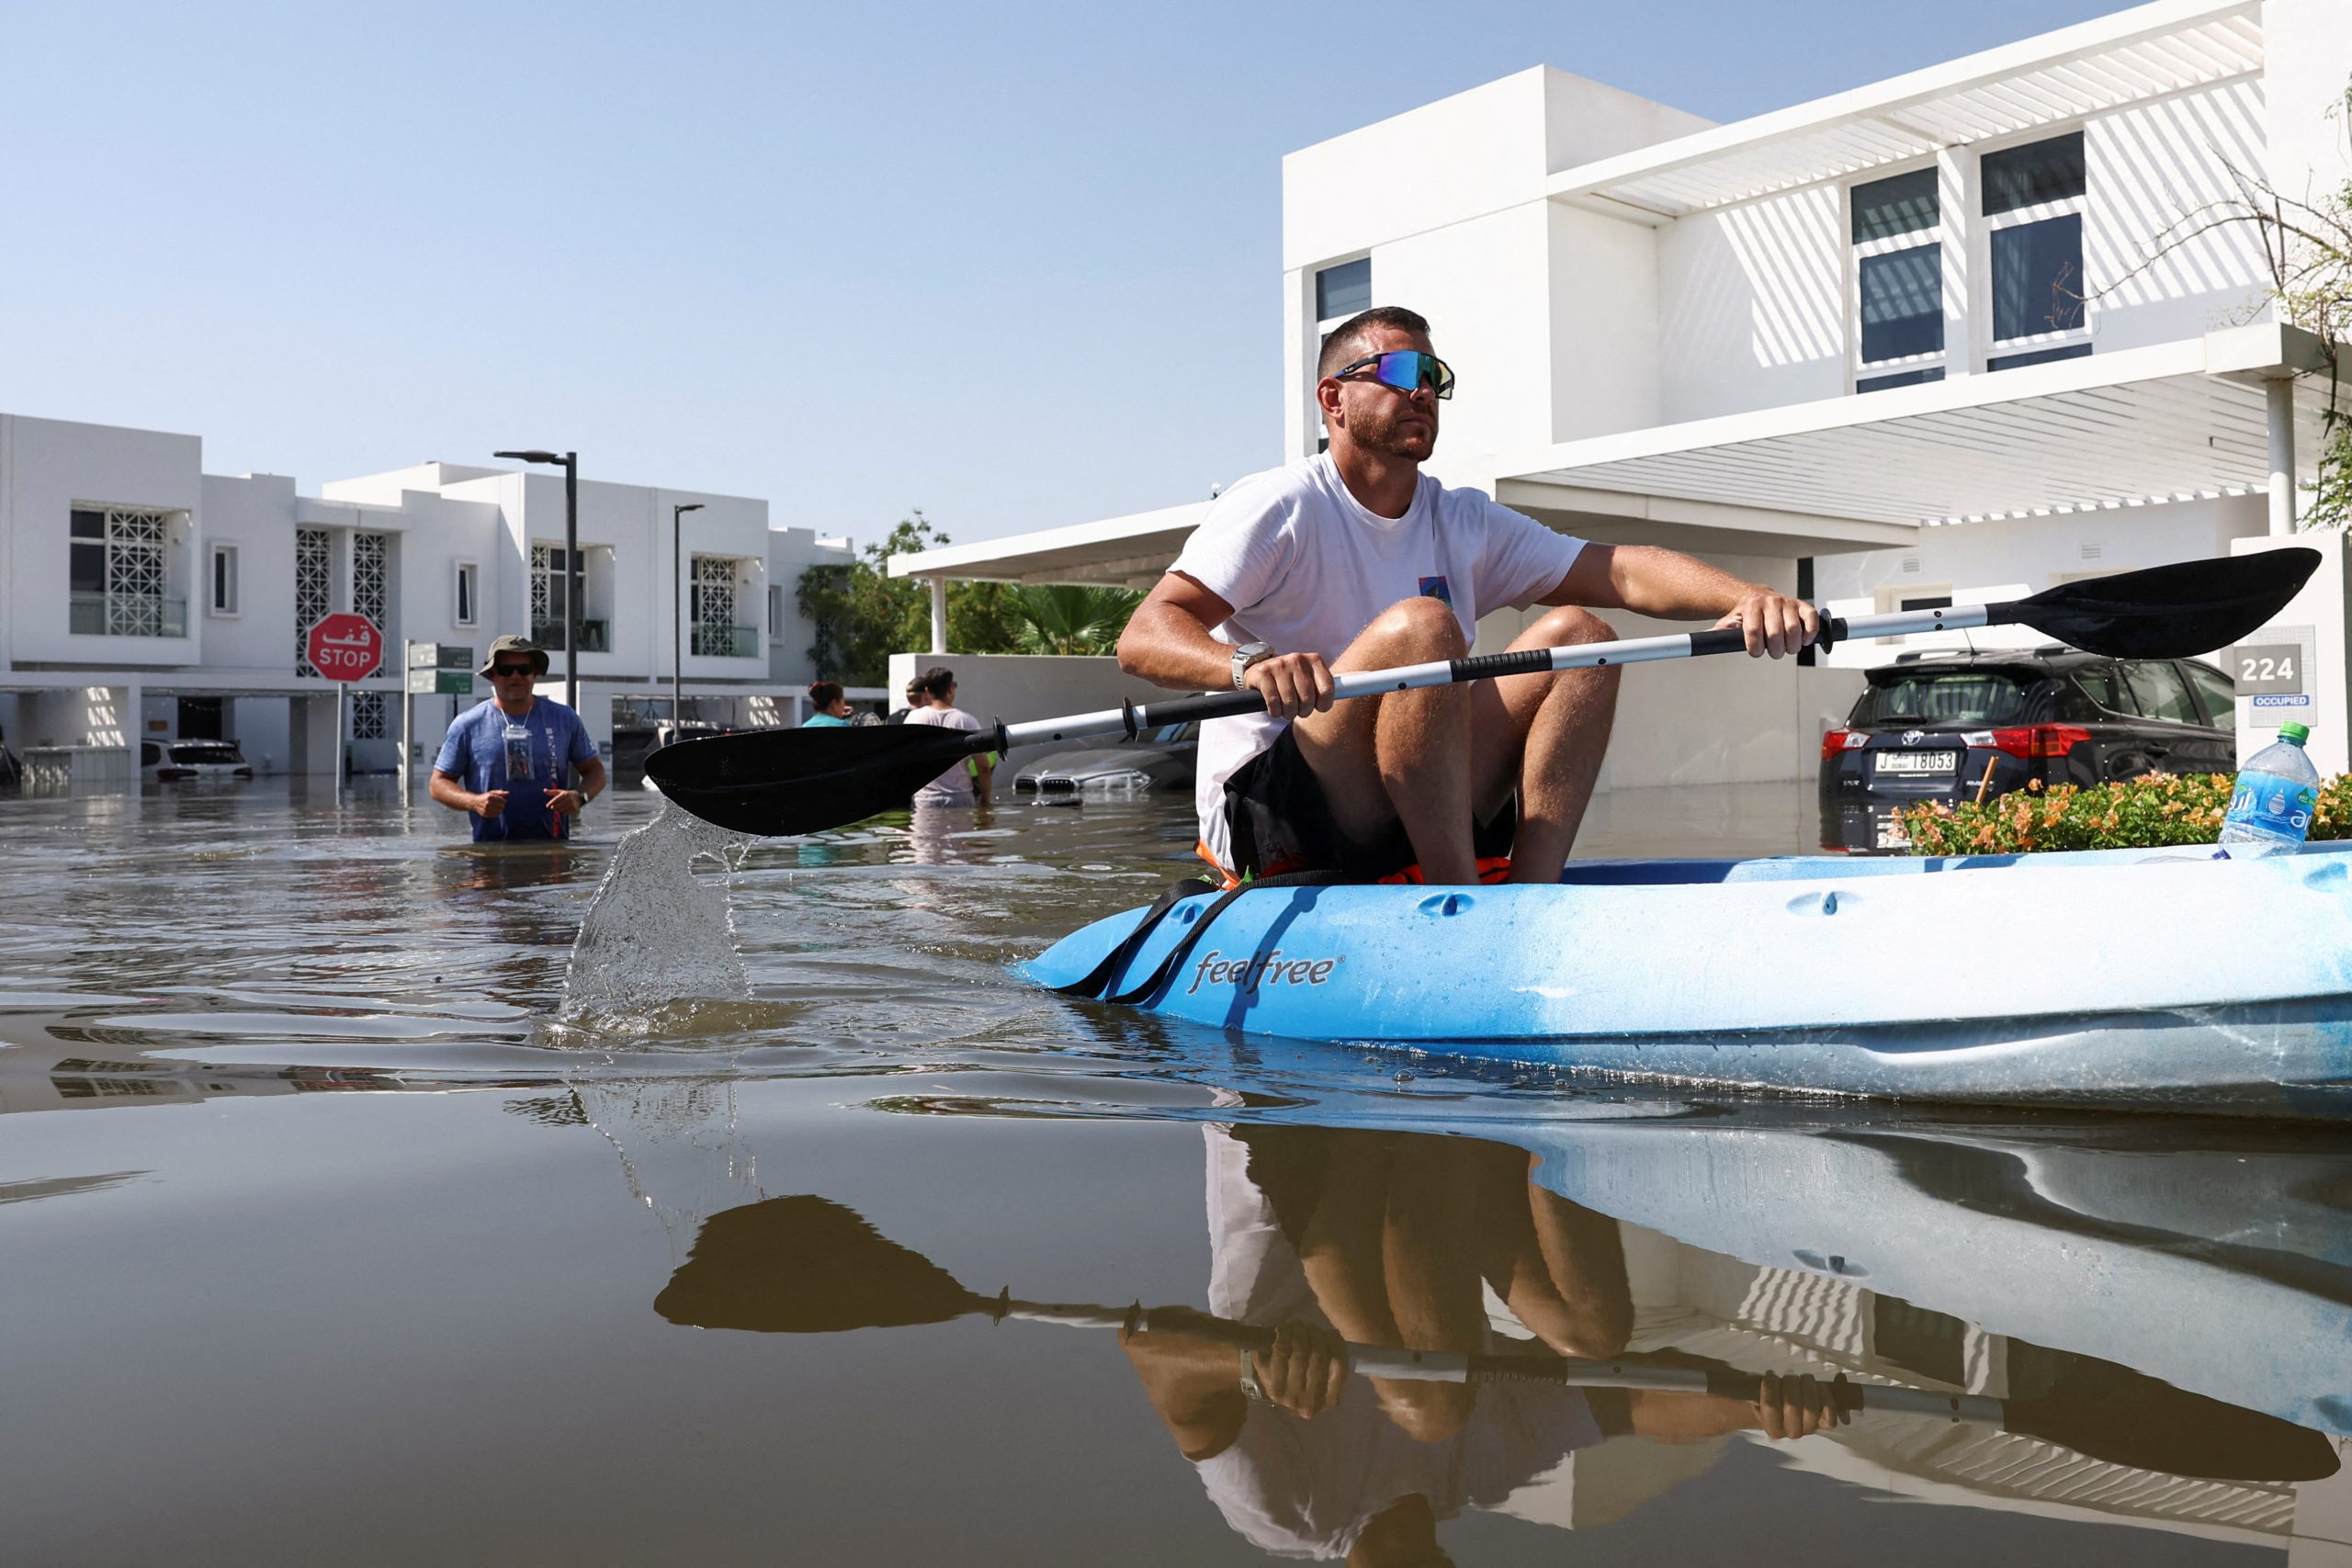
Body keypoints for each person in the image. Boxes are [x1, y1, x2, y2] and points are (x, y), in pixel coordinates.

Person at [1116, 306, 1819, 887]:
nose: (1421, 390)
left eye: (1434, 376)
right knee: (1425, 628)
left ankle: (1531, 892)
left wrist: (1752, 595)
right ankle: (1458, 902)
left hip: (1416, 796)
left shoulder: (1463, 518)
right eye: (1398, 372)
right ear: (1333, 398)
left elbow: (1622, 572)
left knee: (1582, 635)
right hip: (1280, 810)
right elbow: (1145, 635)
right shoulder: (1281, 504)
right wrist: (1245, 667)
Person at [429, 634, 606, 841]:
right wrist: (474, 802)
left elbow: (596, 772)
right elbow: (437, 784)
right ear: (492, 674)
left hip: (553, 850)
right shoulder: (468, 724)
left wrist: (579, 797)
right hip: (490, 853)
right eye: (506, 670)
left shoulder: (564, 718)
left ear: (535, 673)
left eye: (524, 669)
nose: (515, 676)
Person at [900, 666, 993, 806]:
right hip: (960, 798)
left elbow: (904, 761)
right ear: (950, 689)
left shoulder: (914, 719)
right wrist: (985, 801)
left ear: (927, 691)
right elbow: (984, 767)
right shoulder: (967, 721)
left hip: (926, 800)